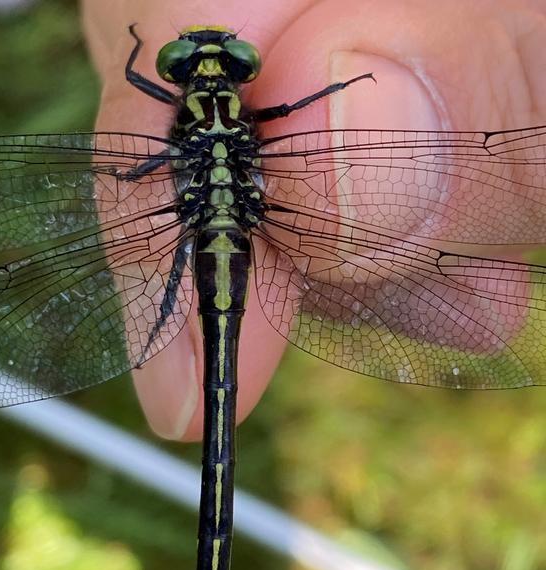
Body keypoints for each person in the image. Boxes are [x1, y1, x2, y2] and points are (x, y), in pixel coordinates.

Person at [81, 0, 546, 440]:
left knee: (181, 261)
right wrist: (335, 91)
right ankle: (166, 323)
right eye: (188, 62)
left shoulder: (185, 120)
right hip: (237, 219)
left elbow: (139, 114)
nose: (209, 68)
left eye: (232, 60)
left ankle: (163, 324)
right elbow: (286, 111)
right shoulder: (243, 118)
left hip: (206, 219)